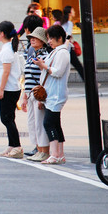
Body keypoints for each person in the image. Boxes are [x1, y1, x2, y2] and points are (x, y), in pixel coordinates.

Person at [34, 24, 71, 164]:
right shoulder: (57, 51)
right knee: (55, 123)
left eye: (51, 38)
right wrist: (43, 64)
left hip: (56, 94)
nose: (49, 41)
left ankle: (55, 154)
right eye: (48, 38)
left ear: (59, 38)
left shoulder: (62, 52)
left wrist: (43, 66)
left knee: (49, 123)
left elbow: (57, 72)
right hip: (52, 93)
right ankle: (59, 154)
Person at [0, 21, 23, 159]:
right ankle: (12, 145)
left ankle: (16, 146)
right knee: (8, 118)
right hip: (10, 88)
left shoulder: (7, 50)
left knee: (6, 118)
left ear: (2, 33)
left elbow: (6, 72)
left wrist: (1, 90)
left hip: (9, 89)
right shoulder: (8, 48)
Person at [21, 27, 50, 162]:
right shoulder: (32, 55)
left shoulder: (45, 56)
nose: (32, 39)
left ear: (43, 41)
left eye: (35, 37)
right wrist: (25, 95)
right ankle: (38, 150)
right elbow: (26, 77)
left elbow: (45, 77)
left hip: (38, 94)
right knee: (32, 123)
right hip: (30, 93)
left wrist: (40, 99)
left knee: (39, 123)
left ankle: (44, 151)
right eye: (31, 37)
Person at [60, 5, 84, 81]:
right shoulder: (69, 23)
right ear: (70, 13)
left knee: (64, 67)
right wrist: (67, 43)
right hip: (68, 48)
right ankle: (89, 82)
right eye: (73, 10)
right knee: (78, 66)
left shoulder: (63, 22)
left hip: (64, 47)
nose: (74, 12)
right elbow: (68, 34)